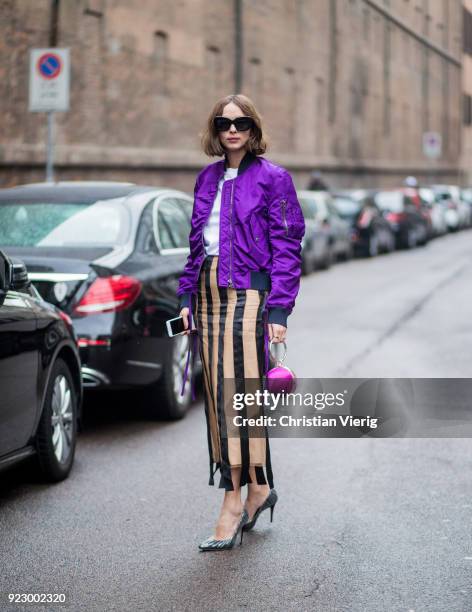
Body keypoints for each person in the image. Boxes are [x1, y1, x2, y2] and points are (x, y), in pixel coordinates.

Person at [177, 93, 305, 551]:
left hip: (249, 294)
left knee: (238, 392)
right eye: (223, 121)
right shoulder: (206, 178)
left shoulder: (275, 179)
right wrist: (185, 296)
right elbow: (197, 246)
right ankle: (258, 488)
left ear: (254, 129)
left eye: (242, 122)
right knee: (216, 394)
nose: (232, 129)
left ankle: (233, 501)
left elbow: (288, 247)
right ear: (214, 129)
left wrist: (279, 310)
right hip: (207, 295)